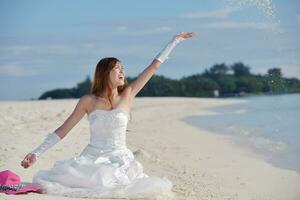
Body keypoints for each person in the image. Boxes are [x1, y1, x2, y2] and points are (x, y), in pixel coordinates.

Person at [20, 32, 197, 199]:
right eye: (117, 69)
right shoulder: (88, 101)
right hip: (91, 159)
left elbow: (154, 66)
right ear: (105, 73)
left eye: (123, 69)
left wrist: (175, 41)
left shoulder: (128, 94)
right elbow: (63, 130)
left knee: (122, 182)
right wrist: (36, 153)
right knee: (92, 179)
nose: (123, 72)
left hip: (120, 159)